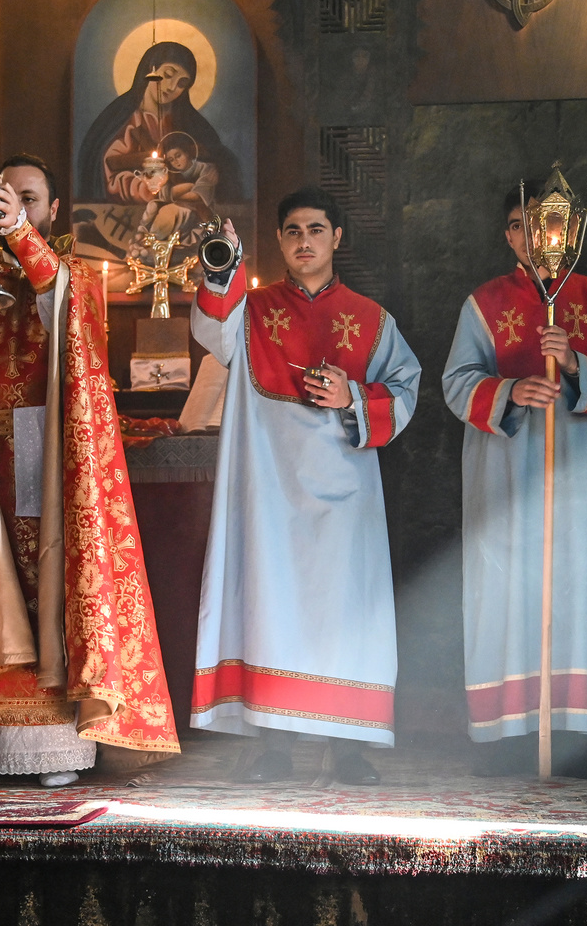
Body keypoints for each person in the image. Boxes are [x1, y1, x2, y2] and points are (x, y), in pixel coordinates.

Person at [0, 154, 180, 786]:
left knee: (42, 582)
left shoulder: (75, 274)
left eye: (26, 199)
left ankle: (56, 750)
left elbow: (62, 302)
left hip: (45, 447)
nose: (10, 210)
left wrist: (17, 235)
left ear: (52, 210)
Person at [190, 188, 420, 784]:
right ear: (280, 241)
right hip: (269, 492)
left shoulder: (373, 320)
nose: (304, 241)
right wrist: (222, 268)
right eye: (292, 231)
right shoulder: (253, 310)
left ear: (336, 237)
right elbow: (213, 332)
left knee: (345, 615)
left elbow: (406, 391)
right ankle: (273, 743)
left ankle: (348, 749)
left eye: (316, 230)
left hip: (346, 496)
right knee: (273, 610)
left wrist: (352, 396)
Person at [441, 177, 587, 779]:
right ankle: (505, 734)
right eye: (527, 224)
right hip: (505, 474)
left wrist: (577, 362)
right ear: (511, 235)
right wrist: (510, 389)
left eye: (554, 224)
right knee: (504, 595)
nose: (541, 236)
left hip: (573, 475)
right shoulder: (483, 304)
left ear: (571, 231)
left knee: (574, 592)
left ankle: (572, 735)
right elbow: (454, 383)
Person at [77, 41, 244, 205]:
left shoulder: (190, 123)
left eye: (182, 83)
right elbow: (108, 174)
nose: (171, 87)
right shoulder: (122, 120)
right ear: (152, 69)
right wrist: (152, 191)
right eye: (168, 74)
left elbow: (217, 159)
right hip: (130, 216)